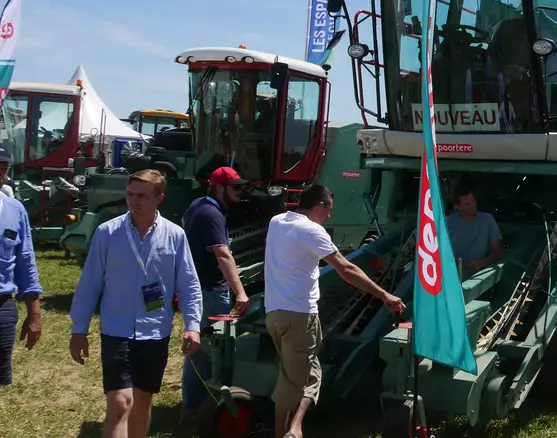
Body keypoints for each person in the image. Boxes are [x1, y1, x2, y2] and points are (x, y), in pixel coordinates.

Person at [263, 184, 406, 438]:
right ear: (319, 206)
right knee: (292, 383)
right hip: (300, 315)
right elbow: (346, 269)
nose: (329, 216)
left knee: (312, 372)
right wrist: (384, 294)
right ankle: (286, 434)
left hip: (274, 313)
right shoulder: (312, 230)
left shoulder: (277, 222)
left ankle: (294, 428)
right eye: (329, 210)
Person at [69, 169, 203, 438]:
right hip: (116, 330)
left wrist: (193, 325)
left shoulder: (175, 236)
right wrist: (79, 329)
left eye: (142, 196)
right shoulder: (108, 233)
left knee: (141, 403)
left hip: (155, 331)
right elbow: (90, 283)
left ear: (159, 198)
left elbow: (188, 283)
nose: (134, 201)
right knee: (120, 403)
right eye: (130, 194)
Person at [179, 166, 252, 418]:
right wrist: (240, 293)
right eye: (235, 187)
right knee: (208, 351)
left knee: (199, 348)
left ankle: (193, 404)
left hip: (199, 287)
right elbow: (223, 254)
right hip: (211, 290)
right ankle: (195, 408)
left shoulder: (198, 205)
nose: (240, 192)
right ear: (219, 187)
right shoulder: (211, 214)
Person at [0, 185, 41, 386]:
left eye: (4, 169)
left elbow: (26, 261)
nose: (3, 176)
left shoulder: (14, 210)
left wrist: (34, 315)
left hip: (2, 307)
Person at [445, 183, 502, 279]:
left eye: (473, 201)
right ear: (457, 207)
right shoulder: (446, 223)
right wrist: (466, 264)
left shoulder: (487, 219)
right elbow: (440, 256)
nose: (472, 205)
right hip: (450, 274)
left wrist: (482, 262)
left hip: (478, 274)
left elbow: (497, 252)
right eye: (467, 204)